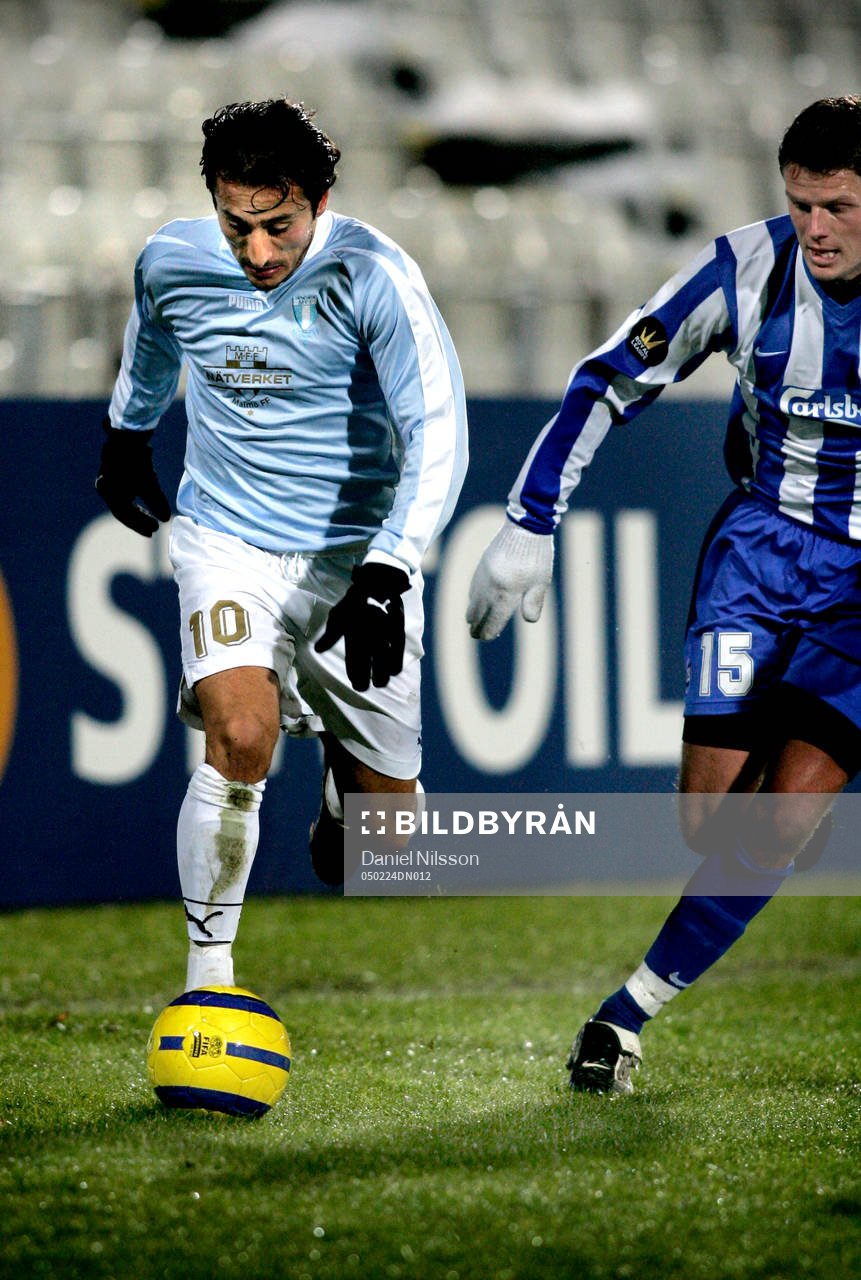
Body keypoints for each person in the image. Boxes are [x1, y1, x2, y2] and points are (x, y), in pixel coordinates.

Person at [467, 95, 861, 1094]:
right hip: (761, 557)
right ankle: (795, 769)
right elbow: (607, 376)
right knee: (706, 823)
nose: (816, 228)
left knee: (777, 821)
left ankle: (624, 1013)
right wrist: (530, 520)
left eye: (840, 207)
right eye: (802, 203)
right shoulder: (746, 268)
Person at [96, 97, 468, 992]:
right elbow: (153, 342)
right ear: (213, 205)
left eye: (279, 225)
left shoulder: (376, 276)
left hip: (354, 559)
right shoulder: (173, 260)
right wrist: (126, 434)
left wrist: (388, 566)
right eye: (237, 225)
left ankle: (346, 789)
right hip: (229, 538)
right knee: (240, 736)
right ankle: (207, 980)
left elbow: (439, 431)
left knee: (385, 854)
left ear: (320, 199)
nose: (258, 253)